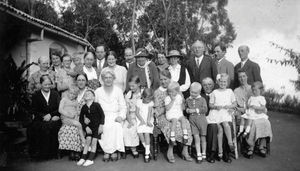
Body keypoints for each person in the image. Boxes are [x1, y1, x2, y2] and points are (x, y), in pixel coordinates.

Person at [153, 70, 193, 163]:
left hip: (177, 114)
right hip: (163, 116)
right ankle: (170, 149)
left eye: (165, 79)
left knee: (186, 123)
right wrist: (166, 109)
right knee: (171, 126)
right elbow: (158, 110)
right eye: (161, 79)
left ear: (170, 79)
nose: (163, 81)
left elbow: (182, 105)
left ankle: (185, 150)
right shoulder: (157, 92)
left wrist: (181, 104)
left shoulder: (175, 88)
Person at [94, 68, 127, 162]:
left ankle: (114, 151)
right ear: (102, 79)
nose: (108, 79)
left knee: (116, 126)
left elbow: (123, 106)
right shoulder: (98, 91)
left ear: (113, 78)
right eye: (106, 77)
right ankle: (106, 151)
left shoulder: (118, 90)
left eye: (110, 77)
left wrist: (121, 116)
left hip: (115, 115)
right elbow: (95, 107)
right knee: (105, 126)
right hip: (102, 116)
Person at [28, 75, 61, 160]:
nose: (47, 86)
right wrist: (43, 116)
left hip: (54, 117)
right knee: (37, 127)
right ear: (41, 84)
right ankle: (42, 154)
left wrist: (51, 115)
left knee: (53, 126)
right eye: (45, 84)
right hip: (40, 118)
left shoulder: (55, 94)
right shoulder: (36, 95)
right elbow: (34, 110)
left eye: (49, 84)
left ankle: (53, 153)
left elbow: (59, 108)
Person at [206, 74, 236, 161]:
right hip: (216, 113)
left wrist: (229, 106)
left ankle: (230, 143)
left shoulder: (230, 91)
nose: (222, 83)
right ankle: (220, 152)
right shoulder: (215, 92)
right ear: (218, 82)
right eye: (221, 81)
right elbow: (210, 105)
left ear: (227, 83)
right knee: (220, 130)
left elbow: (234, 104)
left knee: (226, 124)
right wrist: (216, 107)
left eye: (224, 81)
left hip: (225, 112)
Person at [77, 90, 105, 166]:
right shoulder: (84, 107)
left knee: (94, 142)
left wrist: (101, 125)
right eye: (85, 94)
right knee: (87, 141)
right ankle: (83, 158)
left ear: (93, 97)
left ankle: (90, 159)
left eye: (89, 93)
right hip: (89, 128)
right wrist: (86, 127)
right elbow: (81, 119)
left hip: (97, 127)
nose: (87, 94)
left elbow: (102, 115)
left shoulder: (97, 105)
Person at [185, 82, 208, 163]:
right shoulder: (188, 99)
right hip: (192, 120)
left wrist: (195, 110)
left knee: (203, 137)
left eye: (195, 93)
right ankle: (198, 153)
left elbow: (205, 109)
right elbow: (186, 108)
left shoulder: (202, 99)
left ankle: (203, 152)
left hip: (201, 120)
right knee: (196, 137)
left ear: (199, 92)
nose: (193, 94)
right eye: (191, 92)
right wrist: (187, 110)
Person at [123, 76, 141, 158]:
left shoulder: (142, 94)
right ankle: (127, 147)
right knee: (125, 128)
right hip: (130, 115)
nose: (131, 88)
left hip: (140, 116)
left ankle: (133, 148)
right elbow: (126, 109)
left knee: (133, 129)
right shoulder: (129, 94)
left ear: (139, 84)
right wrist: (129, 120)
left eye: (133, 86)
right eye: (130, 86)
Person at [136, 88, 154, 163]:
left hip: (148, 119)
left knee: (146, 133)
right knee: (140, 133)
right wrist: (142, 120)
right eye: (147, 99)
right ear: (143, 97)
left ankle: (146, 153)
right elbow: (137, 113)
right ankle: (147, 149)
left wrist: (148, 121)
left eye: (150, 99)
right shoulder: (139, 102)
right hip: (140, 118)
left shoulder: (151, 103)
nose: (148, 101)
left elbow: (149, 113)